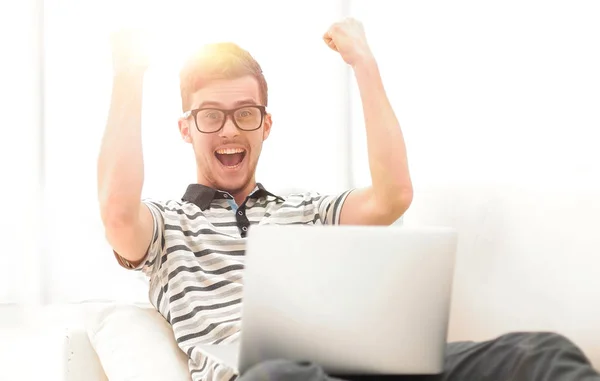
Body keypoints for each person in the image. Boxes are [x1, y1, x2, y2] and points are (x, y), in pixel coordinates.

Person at [97, 17, 600, 381]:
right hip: (266, 378)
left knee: (541, 353)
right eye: (210, 115)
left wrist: (363, 62)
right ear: (186, 129)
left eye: (246, 113)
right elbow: (118, 212)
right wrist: (130, 72)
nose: (229, 129)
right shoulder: (167, 226)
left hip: (364, 368)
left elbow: (392, 196)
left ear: (266, 125)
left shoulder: (310, 211)